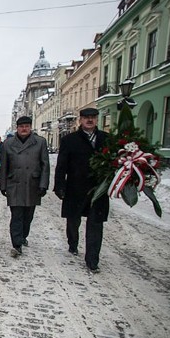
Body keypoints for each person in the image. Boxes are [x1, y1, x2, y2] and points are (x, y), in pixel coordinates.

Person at [54, 107, 109, 272]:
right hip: (75, 188)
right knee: (73, 220)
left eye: (93, 117)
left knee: (95, 224)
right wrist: (59, 185)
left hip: (98, 189)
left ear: (97, 119)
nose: (90, 120)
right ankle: (73, 242)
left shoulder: (106, 139)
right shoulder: (69, 140)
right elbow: (61, 165)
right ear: (80, 120)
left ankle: (92, 260)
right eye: (86, 117)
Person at [0, 116, 50, 257]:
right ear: (17, 127)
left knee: (28, 215)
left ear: (30, 127)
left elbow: (45, 165)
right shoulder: (8, 144)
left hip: (32, 184)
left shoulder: (40, 142)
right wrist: (3, 185)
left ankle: (23, 235)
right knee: (16, 215)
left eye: (27, 126)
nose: (24, 129)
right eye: (21, 126)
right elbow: (4, 166)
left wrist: (43, 184)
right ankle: (16, 244)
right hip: (14, 183)